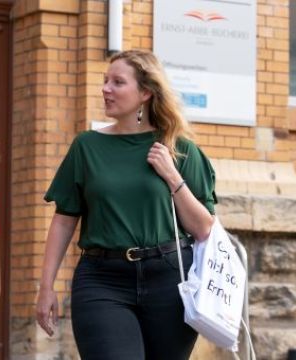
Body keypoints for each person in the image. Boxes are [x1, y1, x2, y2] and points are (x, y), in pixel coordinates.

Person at [36, 49, 217, 360]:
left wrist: (173, 177)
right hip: (101, 279)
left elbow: (203, 228)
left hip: (170, 280)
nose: (106, 89)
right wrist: (46, 285)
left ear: (145, 92)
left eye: (118, 82)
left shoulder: (179, 148)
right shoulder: (87, 146)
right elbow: (65, 219)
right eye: (106, 81)